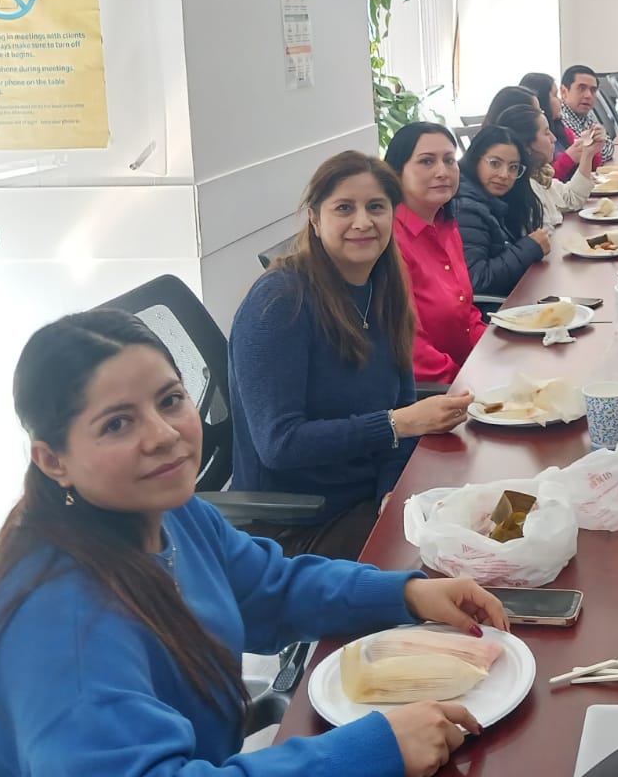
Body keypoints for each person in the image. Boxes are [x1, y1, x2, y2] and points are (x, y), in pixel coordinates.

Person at [0, 309, 507, 777]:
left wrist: (405, 594)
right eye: (118, 423)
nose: (164, 435)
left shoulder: (172, 514)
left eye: (170, 400)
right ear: (53, 460)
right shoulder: (62, 628)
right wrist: (369, 752)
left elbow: (271, 591)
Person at [228, 152, 472, 558]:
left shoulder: (384, 287)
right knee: (455, 567)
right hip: (298, 526)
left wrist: (390, 490)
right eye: (344, 208)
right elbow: (279, 444)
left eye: (376, 207)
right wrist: (396, 424)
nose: (362, 222)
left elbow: (401, 410)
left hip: (365, 496)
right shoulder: (280, 302)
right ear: (314, 218)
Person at [385, 123, 486, 385]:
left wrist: (497, 351)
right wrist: (470, 384)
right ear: (396, 173)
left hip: (469, 372)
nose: (442, 172)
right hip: (435, 392)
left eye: (449, 160)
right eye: (427, 161)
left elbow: (466, 313)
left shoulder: (446, 224)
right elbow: (412, 351)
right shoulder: (389, 242)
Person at [451, 125, 550, 297]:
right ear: (475, 160)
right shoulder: (466, 210)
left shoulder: (496, 199)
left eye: (513, 167)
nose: (504, 175)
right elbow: (478, 280)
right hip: (493, 309)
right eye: (495, 163)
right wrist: (529, 248)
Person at [495, 103, 596, 229]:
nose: (553, 139)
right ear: (526, 145)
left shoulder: (538, 175)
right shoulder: (526, 188)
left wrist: (588, 154)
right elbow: (545, 237)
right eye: (547, 133)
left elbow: (572, 198)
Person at [521, 69, 605, 183]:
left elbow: (593, 169)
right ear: (541, 101)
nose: (560, 101)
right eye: (555, 95)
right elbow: (542, 184)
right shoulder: (533, 139)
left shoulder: (562, 129)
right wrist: (569, 159)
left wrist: (593, 149)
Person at [559, 65, 615, 163]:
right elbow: (588, 154)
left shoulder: (586, 116)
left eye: (593, 90)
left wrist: (600, 144)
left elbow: (608, 149)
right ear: (564, 92)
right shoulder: (562, 118)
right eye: (581, 88)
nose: (588, 95)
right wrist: (598, 145)